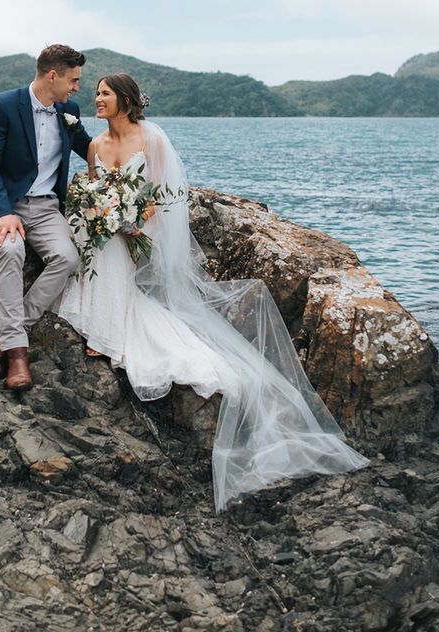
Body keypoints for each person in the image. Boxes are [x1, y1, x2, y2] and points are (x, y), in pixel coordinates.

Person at [56, 73, 369, 511]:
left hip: (139, 235)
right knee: (96, 246)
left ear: (125, 100)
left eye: (104, 94)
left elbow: (166, 200)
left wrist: (134, 224)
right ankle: (102, 325)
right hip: (107, 233)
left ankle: (106, 331)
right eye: (95, 94)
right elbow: (94, 192)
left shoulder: (153, 141)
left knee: (113, 254)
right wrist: (101, 216)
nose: (97, 99)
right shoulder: (93, 147)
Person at [0, 44, 92, 391]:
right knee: (10, 251)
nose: (76, 88)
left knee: (67, 257)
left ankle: (6, 335)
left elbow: (89, 148)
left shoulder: (68, 109)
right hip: (5, 204)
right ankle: (18, 355)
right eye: (73, 80)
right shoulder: (3, 105)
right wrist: (4, 213)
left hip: (46, 207)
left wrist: (133, 148)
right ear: (52, 76)